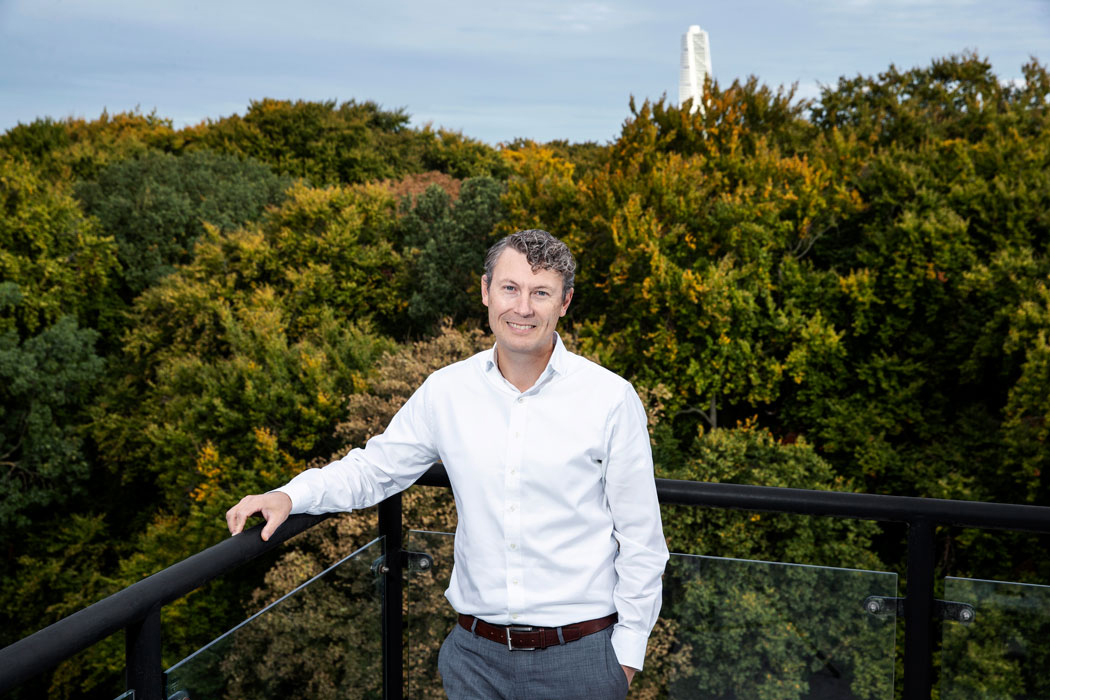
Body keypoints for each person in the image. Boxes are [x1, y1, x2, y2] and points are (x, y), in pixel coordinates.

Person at [226, 229, 669, 699]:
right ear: (485, 290)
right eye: (510, 288)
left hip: (580, 660)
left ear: (564, 303)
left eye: (541, 293)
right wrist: (291, 495)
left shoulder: (609, 399)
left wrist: (623, 659)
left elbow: (641, 540)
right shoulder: (447, 391)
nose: (523, 307)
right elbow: (375, 468)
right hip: (474, 661)